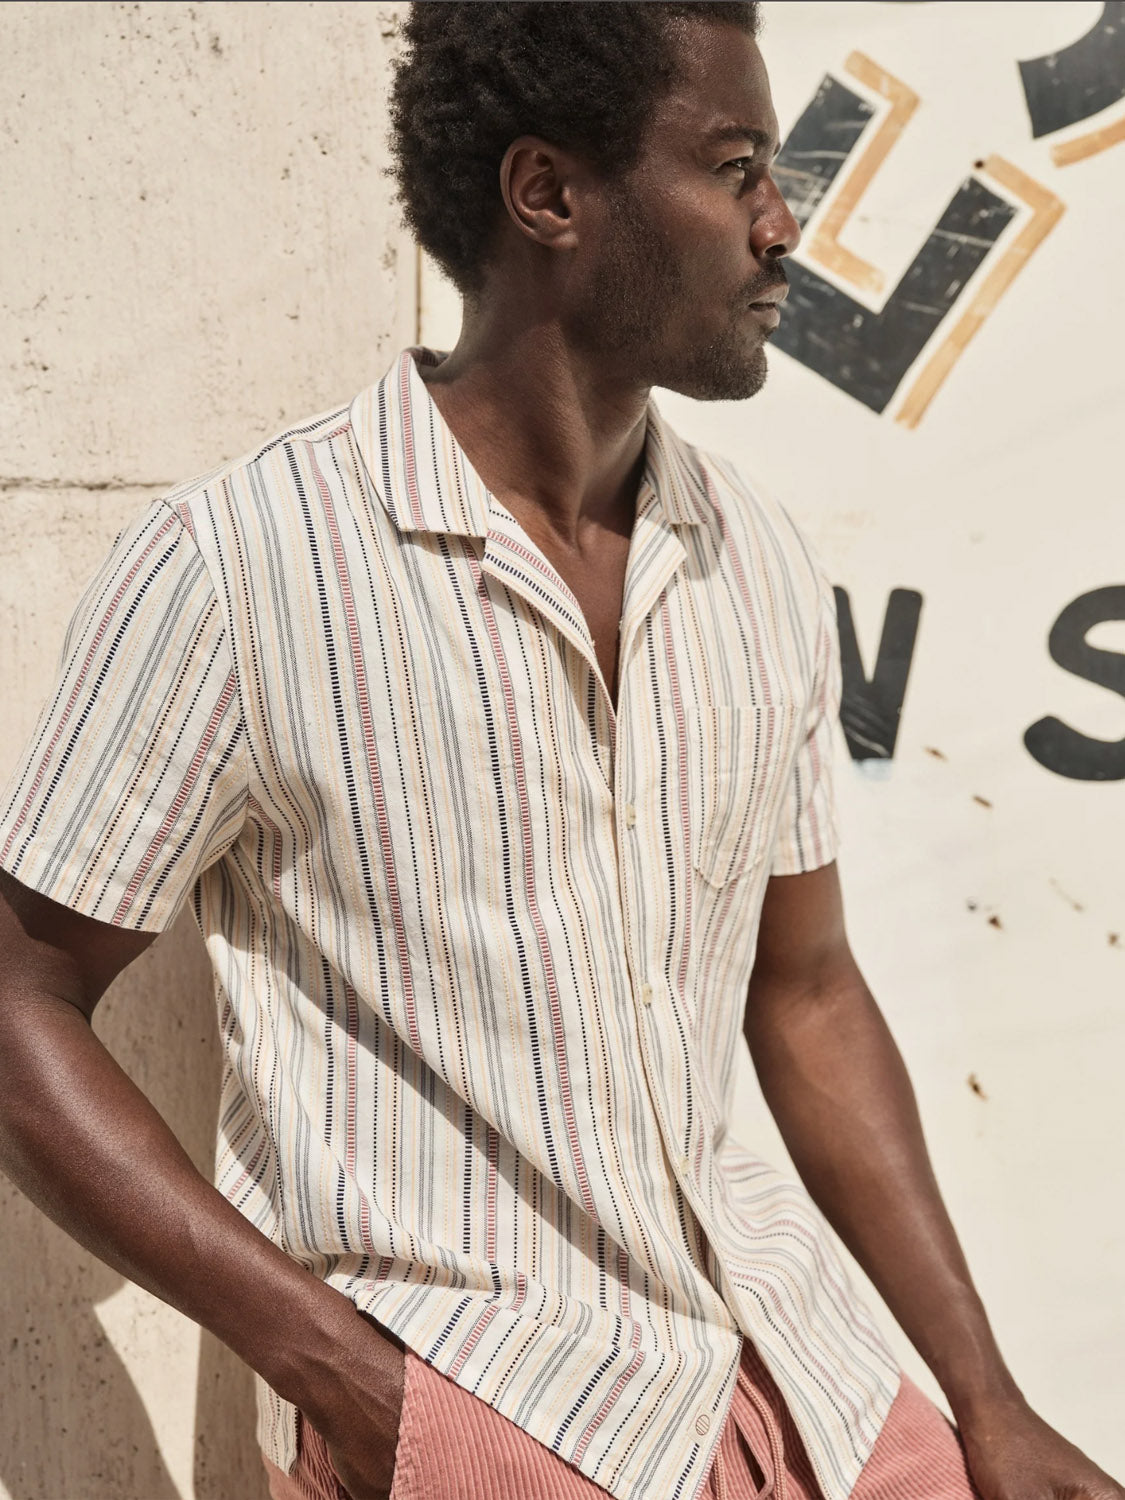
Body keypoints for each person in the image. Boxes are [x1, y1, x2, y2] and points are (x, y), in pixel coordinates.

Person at [0, 4, 1119, 1498]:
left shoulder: (753, 559)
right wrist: (340, 1374)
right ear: (549, 195)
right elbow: (20, 1001)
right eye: (733, 169)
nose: (781, 227)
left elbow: (804, 990)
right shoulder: (244, 561)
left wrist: (983, 1401)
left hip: (802, 1383)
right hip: (479, 1403)